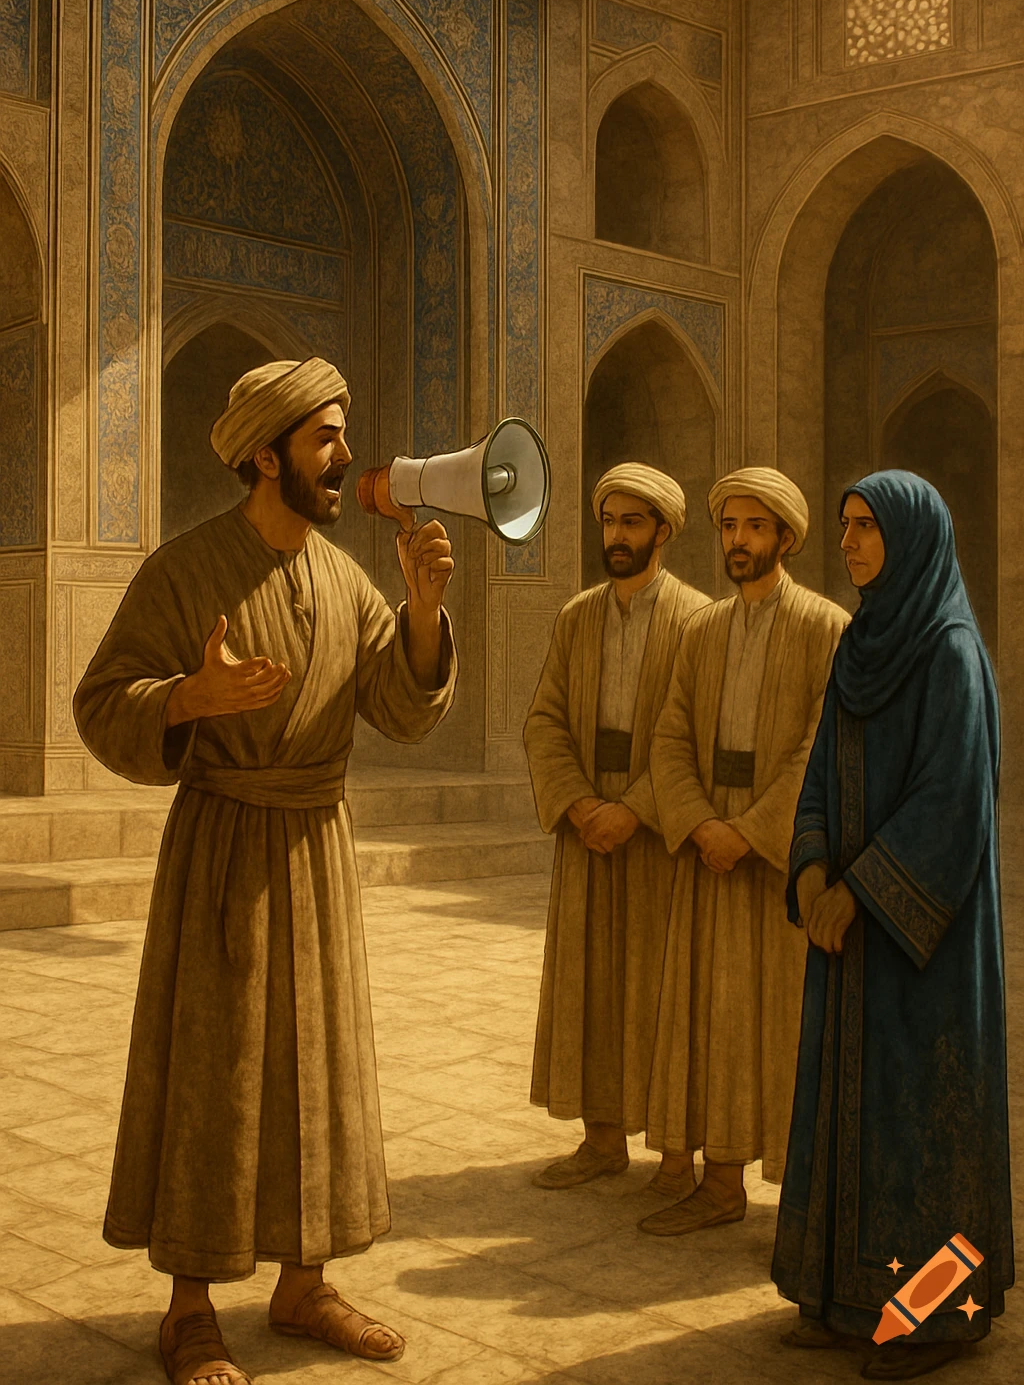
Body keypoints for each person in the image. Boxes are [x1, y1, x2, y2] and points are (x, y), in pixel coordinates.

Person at [74, 357, 457, 1385]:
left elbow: (402, 709)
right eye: (325, 437)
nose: (344, 457)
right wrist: (189, 699)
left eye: (342, 434)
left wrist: (420, 607)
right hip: (223, 854)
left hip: (316, 849)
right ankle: (191, 1308)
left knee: (315, 1066)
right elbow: (101, 701)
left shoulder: (346, 579)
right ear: (264, 454)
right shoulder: (183, 569)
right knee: (214, 1070)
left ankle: (305, 1282)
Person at [772, 470, 1014, 1382]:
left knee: (923, 1133)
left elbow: (951, 803)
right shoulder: (862, 642)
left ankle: (933, 1317)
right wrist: (812, 864)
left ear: (911, 539)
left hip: (924, 956)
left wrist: (857, 893)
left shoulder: (948, 651)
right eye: (845, 526)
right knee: (848, 1117)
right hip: (850, 937)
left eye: (868, 528)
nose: (852, 542)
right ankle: (848, 1301)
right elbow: (824, 770)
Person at [639, 468, 848, 1236]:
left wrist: (751, 832)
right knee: (710, 1018)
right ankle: (719, 1182)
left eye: (754, 528)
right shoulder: (702, 630)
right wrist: (697, 823)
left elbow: (817, 750)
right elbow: (669, 736)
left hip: (777, 862)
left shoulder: (828, 628)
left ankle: (803, 1200)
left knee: (782, 1027)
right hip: (706, 852)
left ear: (785, 539)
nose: (738, 541)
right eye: (729, 527)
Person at [526, 464, 710, 1190]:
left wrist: (635, 808)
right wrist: (578, 805)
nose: (618, 536)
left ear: (663, 531)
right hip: (587, 830)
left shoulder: (699, 619)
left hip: (658, 835)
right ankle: (602, 1141)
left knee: (664, 991)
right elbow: (543, 721)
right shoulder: (577, 617)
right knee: (590, 986)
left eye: (633, 523)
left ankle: (675, 1154)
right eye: (609, 522)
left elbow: (691, 735)